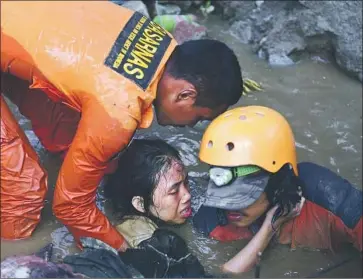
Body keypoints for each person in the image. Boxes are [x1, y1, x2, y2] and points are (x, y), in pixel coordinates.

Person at [1, 1, 243, 252]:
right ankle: (12, 254)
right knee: (21, 188)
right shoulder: (119, 111)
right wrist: (125, 251)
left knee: (70, 137)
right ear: (184, 95)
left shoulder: (159, 40)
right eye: (199, 118)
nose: (192, 125)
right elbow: (70, 207)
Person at [192, 106, 362, 273]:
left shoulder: (329, 197)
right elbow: (226, 274)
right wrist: (269, 227)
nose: (228, 206)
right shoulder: (212, 221)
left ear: (277, 185)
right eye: (223, 194)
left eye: (242, 196)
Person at [103, 138, 299, 276]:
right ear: (139, 204)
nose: (187, 194)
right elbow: (223, 275)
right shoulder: (145, 241)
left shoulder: (167, 202)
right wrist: (271, 225)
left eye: (185, 182)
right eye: (174, 192)